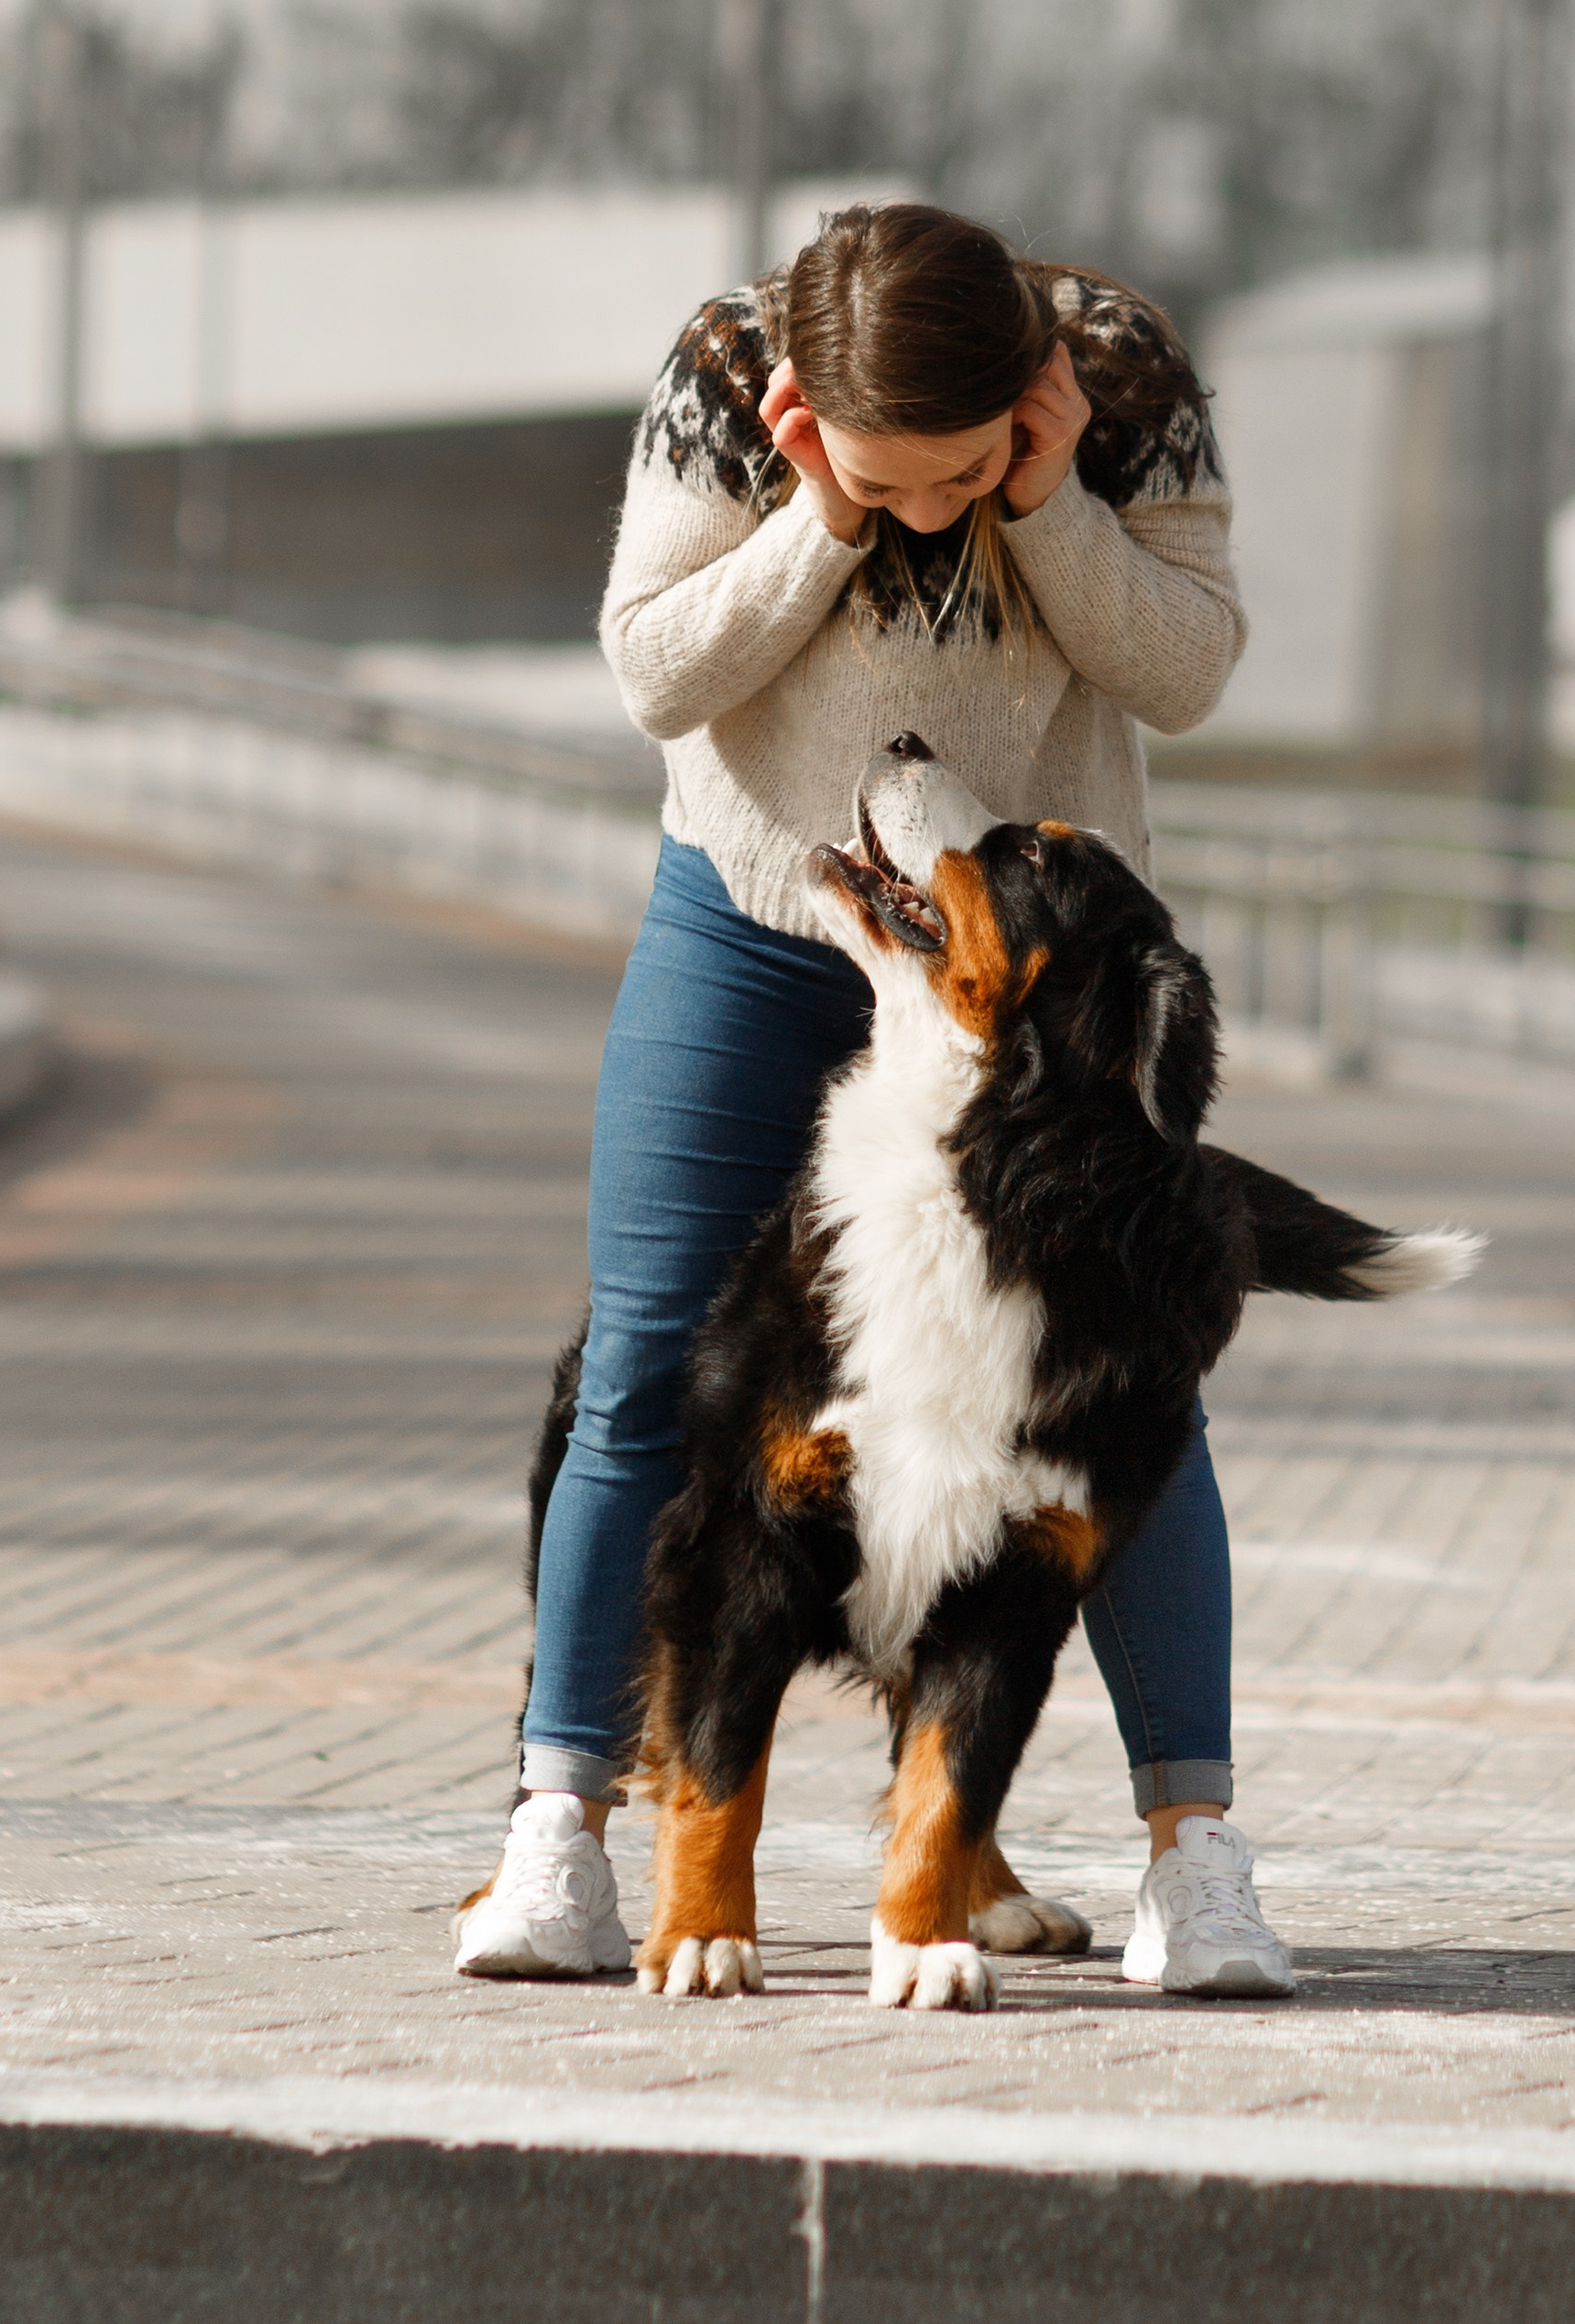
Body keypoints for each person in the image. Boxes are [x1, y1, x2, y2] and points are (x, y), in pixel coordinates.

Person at [454, 201, 1294, 1999]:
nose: (926, 510)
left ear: (1029, 394)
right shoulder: (719, 371)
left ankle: (1195, 1854)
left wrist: (1054, 505)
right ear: (809, 414)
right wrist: (818, 519)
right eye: (879, 476)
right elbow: (652, 668)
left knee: (1121, 1375)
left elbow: (1187, 671)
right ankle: (561, 1829)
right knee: (649, 1356)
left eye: (958, 472)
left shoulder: (1125, 377)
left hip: (1030, 958)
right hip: (759, 912)